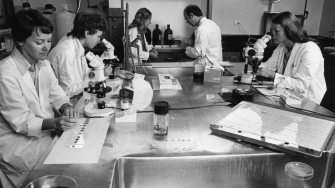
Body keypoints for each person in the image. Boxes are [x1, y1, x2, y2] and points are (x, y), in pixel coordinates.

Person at [0, 9, 79, 187]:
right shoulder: (5, 73)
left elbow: (55, 91)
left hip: (43, 135)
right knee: (59, 173)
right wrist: (55, 123)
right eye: (39, 42)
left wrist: (66, 106)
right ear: (20, 40)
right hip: (18, 143)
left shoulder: (42, 63)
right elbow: (22, 122)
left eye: (49, 41)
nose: (46, 47)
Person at [48, 11, 133, 105]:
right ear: (87, 33)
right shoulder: (66, 52)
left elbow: (86, 73)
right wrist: (99, 75)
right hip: (63, 106)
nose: (99, 41)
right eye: (98, 36)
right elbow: (67, 91)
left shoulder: (76, 44)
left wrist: (113, 72)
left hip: (75, 100)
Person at [257, 11, 326, 104]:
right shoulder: (281, 47)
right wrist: (254, 58)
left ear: (289, 30)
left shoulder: (310, 49)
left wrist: (272, 75)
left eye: (276, 31)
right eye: (272, 31)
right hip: (287, 96)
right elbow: (266, 68)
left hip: (308, 101)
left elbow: (301, 85)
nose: (272, 35)